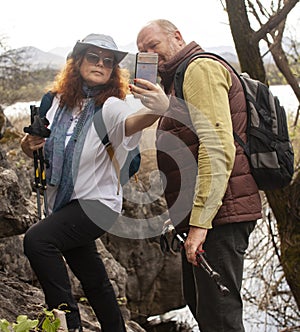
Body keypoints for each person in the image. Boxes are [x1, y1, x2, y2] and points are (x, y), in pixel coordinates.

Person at [21, 33, 169, 332]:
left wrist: (158, 108)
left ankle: (67, 324)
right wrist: (28, 142)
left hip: (98, 204)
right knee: (94, 279)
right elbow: (33, 148)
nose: (100, 64)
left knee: (37, 240)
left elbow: (133, 122)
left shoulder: (113, 105)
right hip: (64, 205)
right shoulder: (54, 102)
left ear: (114, 69)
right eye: (93, 57)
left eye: (108, 60)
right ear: (77, 61)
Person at [130, 19, 262, 332]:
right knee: (202, 306)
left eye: (153, 46)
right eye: (142, 52)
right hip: (204, 215)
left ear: (177, 36)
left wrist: (201, 224)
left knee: (220, 318)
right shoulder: (177, 80)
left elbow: (217, 147)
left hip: (221, 214)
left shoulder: (199, 68)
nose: (149, 54)